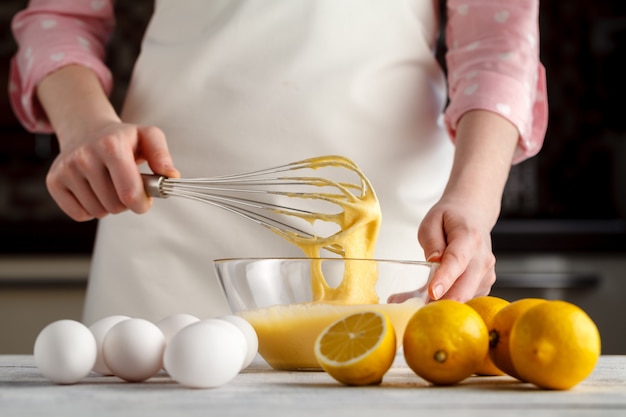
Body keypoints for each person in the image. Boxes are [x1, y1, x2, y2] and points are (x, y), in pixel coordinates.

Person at [9, 0, 547, 325]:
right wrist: (85, 126)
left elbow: (498, 39)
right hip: (168, 217)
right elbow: (60, 15)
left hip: (392, 235)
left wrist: (473, 201)